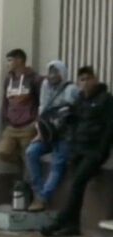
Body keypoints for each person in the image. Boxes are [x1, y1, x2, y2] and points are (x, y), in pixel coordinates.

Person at [41, 67, 113, 237]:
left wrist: (100, 151)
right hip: (78, 149)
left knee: (77, 183)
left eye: (88, 79)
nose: (85, 83)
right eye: (81, 79)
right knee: (75, 186)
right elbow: (73, 124)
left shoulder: (106, 99)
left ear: (95, 79)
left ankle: (60, 221)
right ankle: (72, 225)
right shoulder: (80, 100)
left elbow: (109, 129)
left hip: (94, 151)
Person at [25, 61, 79, 212]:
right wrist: (40, 132)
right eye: (50, 72)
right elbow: (42, 110)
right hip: (47, 133)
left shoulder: (71, 89)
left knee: (57, 164)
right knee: (31, 152)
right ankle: (38, 191)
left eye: (56, 72)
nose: (52, 76)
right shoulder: (45, 86)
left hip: (65, 135)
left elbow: (72, 114)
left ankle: (43, 198)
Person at [0, 49, 41, 169]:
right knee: (2, 152)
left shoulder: (34, 79)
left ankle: (28, 185)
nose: (8, 64)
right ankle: (20, 163)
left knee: (28, 160)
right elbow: (5, 101)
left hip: (28, 126)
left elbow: (41, 101)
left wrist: (36, 122)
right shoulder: (8, 79)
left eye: (10, 60)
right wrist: (5, 119)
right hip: (11, 126)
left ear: (19, 60)